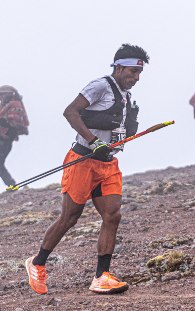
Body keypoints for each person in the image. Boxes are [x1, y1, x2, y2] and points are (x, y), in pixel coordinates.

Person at [24, 44, 149, 295]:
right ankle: (37, 263)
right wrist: (94, 142)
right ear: (119, 67)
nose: (135, 78)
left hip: (108, 165)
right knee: (70, 218)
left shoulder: (125, 96)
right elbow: (70, 112)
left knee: (112, 216)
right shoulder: (100, 86)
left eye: (139, 74)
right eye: (132, 72)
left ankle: (101, 277)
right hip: (82, 161)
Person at [0, 85, 29, 193]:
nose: (0, 97)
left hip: (6, 139)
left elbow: (10, 123)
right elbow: (2, 121)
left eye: (1, 95)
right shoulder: (3, 105)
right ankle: (11, 185)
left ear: (8, 95)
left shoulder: (15, 105)